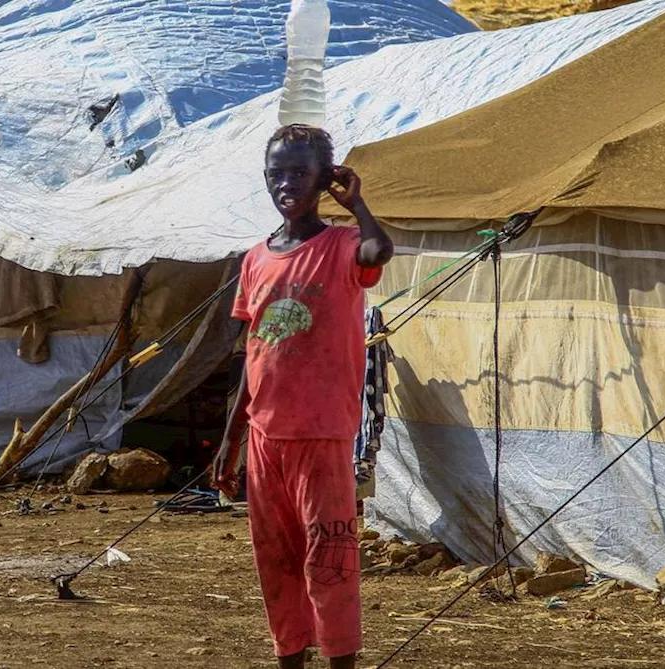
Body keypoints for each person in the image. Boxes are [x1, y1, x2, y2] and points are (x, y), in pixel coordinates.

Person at [212, 123, 393, 668]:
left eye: (298, 172)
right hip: (266, 434)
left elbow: (379, 249)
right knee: (276, 557)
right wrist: (231, 438)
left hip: (320, 430)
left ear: (322, 180)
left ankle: (341, 659)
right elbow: (254, 352)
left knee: (330, 555)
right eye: (276, 174)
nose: (285, 183)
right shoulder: (256, 258)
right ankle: (290, 654)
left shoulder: (339, 246)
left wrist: (356, 204)